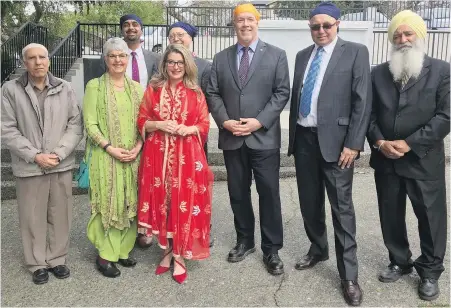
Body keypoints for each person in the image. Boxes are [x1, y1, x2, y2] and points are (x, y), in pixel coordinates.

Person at [287, 2, 371, 306]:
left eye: (326, 25)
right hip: (305, 141)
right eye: (315, 26)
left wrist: (354, 143)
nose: (320, 30)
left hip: (338, 145)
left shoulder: (355, 52)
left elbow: (363, 100)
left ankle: (349, 275)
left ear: (338, 24)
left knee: (341, 208)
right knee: (310, 203)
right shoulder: (301, 57)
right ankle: (318, 248)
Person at [368, 10, 449, 301]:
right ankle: (399, 260)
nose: (402, 40)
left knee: (430, 216)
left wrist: (409, 143)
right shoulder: (378, 73)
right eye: (397, 35)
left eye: (408, 33)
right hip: (386, 159)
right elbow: (369, 115)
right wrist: (378, 141)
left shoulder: (442, 70)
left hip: (423, 159)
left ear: (419, 36)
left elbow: (445, 116)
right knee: (390, 214)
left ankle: (429, 271)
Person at [206, 3, 290, 276]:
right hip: (233, 138)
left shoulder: (277, 55)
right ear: (234, 24)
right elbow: (213, 93)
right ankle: (244, 241)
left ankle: (271, 248)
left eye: (249, 20)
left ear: (258, 23)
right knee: (238, 193)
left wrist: (259, 121)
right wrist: (224, 121)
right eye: (240, 20)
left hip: (263, 138)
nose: (245, 25)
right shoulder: (220, 58)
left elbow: (281, 93)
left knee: (269, 194)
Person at [1, 43, 83, 284]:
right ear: (24, 63)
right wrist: (36, 155)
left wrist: (58, 154)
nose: (38, 62)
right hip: (29, 165)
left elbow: (75, 124)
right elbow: (7, 129)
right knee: (31, 215)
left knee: (60, 213)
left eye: (42, 57)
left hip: (60, 163)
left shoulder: (64, 88)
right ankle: (37, 262)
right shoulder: (10, 90)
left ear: (49, 60)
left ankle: (57, 258)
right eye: (32, 58)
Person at [137, 44, 213, 284]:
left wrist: (188, 128)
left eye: (180, 62)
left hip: (186, 157)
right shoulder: (153, 89)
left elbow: (203, 124)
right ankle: (167, 251)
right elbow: (141, 119)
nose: (175, 67)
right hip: (157, 156)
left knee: (182, 203)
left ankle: (179, 255)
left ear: (187, 65)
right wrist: (158, 125)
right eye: (171, 62)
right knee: (164, 203)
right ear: (164, 64)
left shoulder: (196, 92)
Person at [83, 37, 144, 278]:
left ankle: (122, 250)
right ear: (105, 60)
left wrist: (138, 147)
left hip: (132, 156)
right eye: (112, 56)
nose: (118, 60)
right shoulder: (95, 86)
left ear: (128, 59)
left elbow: (143, 124)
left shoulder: (137, 88)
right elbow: (90, 124)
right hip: (105, 156)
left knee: (130, 202)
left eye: (122, 55)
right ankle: (105, 255)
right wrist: (110, 147)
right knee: (109, 203)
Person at [167, 21, 215, 247]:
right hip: (166, 138)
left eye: (182, 34)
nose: (177, 38)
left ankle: (200, 229)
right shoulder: (163, 64)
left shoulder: (204, 66)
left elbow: (210, 99)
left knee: (196, 184)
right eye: (173, 35)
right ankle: (170, 231)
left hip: (194, 136)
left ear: (191, 38)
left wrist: (195, 127)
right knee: (169, 185)